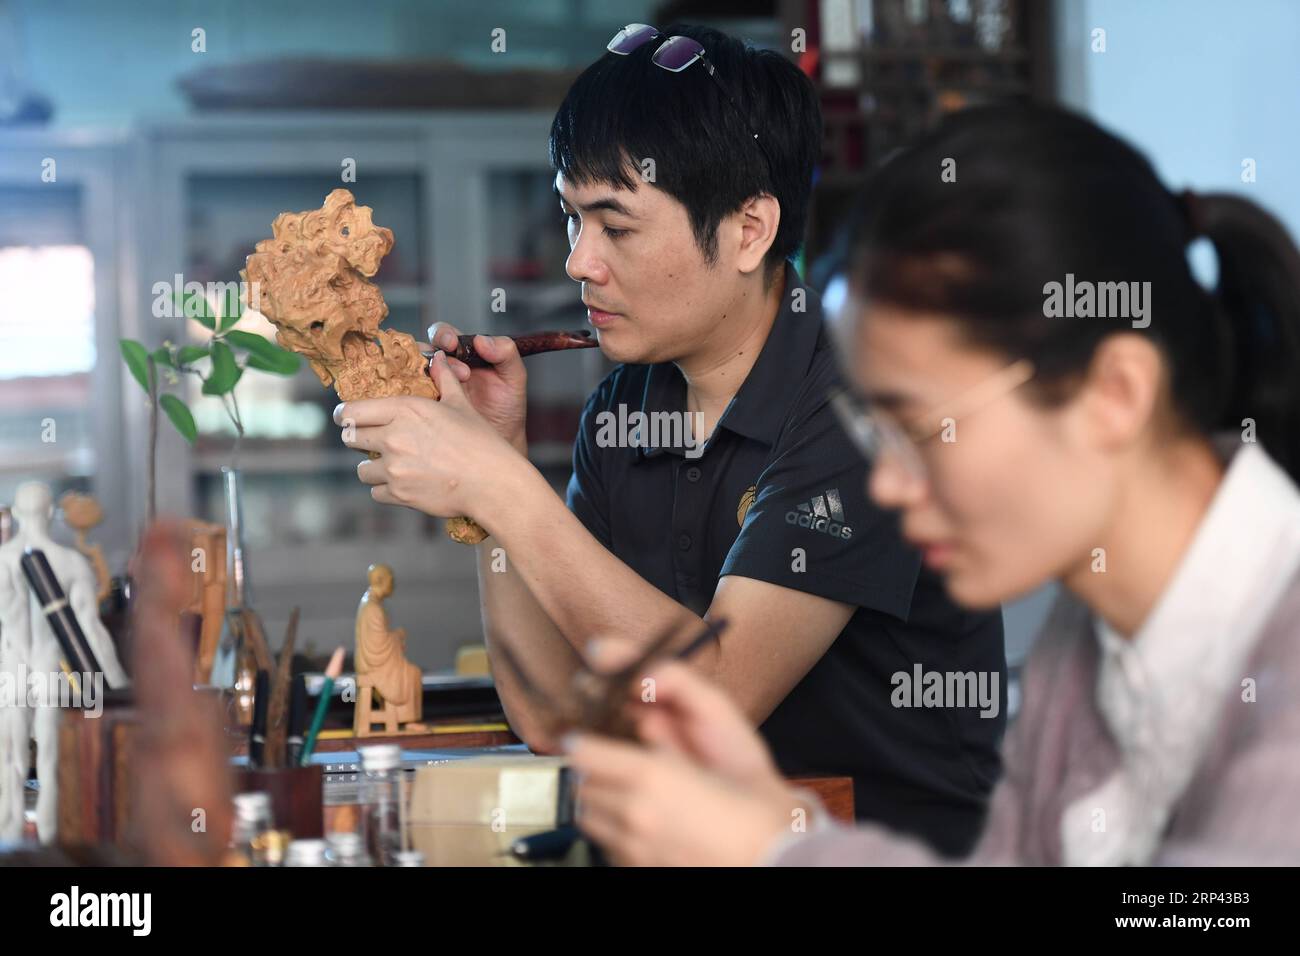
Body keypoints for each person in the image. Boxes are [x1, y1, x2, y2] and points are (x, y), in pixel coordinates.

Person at [563, 104, 1300, 866]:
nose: (884, 484)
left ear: (1113, 394)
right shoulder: (1091, 642)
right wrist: (770, 814)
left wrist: (777, 848)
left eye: (920, 428)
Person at [333, 24, 1006, 857]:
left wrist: (498, 487)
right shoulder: (625, 406)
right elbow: (553, 716)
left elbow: (716, 693)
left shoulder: (861, 407)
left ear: (749, 231)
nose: (579, 262)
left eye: (616, 226)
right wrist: (495, 470)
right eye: (571, 217)